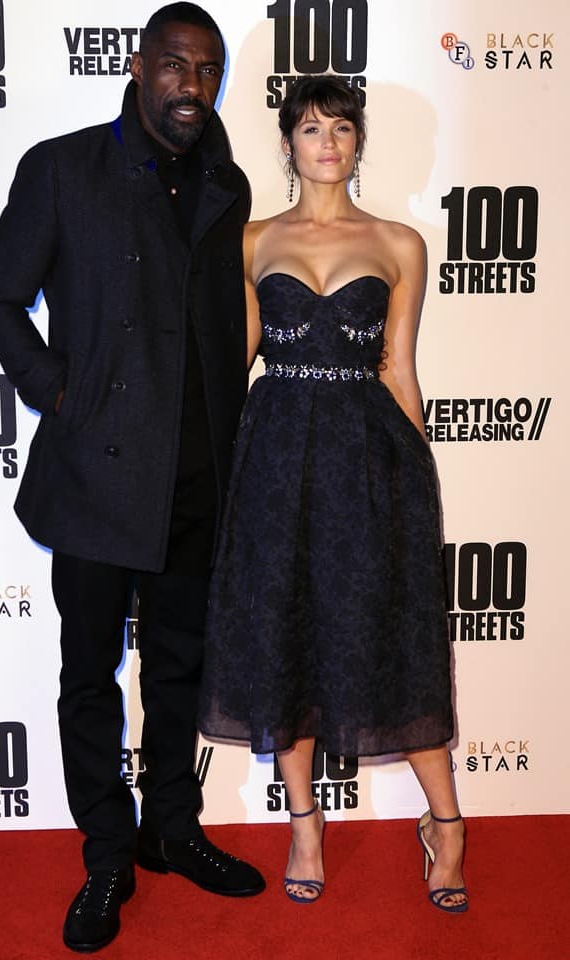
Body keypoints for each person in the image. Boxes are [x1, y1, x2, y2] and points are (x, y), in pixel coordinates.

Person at [0, 3, 265, 952]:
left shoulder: (227, 181)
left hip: (196, 475)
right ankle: (106, 851)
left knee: (179, 668)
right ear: (138, 68)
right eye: (175, 65)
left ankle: (170, 827)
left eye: (207, 71)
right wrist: (60, 391)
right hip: (97, 473)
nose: (191, 86)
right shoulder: (63, 168)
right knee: (89, 675)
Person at [199, 75, 468, 913]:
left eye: (342, 128)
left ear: (358, 142)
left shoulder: (399, 243)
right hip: (276, 463)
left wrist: (417, 487)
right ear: (287, 143)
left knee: (385, 639)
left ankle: (447, 824)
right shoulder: (249, 241)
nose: (327, 142)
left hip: (368, 461)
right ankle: (305, 826)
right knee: (288, 639)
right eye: (311, 128)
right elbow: (236, 362)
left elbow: (399, 371)